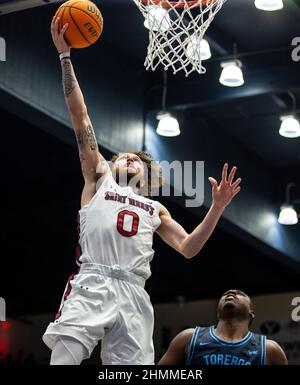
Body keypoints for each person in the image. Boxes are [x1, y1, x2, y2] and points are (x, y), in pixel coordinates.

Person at [43, 16, 242, 365]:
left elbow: (188, 247)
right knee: (63, 359)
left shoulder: (155, 210)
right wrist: (65, 57)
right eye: (125, 157)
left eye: (138, 161)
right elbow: (80, 114)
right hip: (94, 281)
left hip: (135, 292)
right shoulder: (97, 177)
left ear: (147, 175)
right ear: (112, 163)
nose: (131, 161)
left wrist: (217, 207)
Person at [158, 289, 288, 365]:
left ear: (251, 313)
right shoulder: (189, 337)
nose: (231, 293)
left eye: (239, 294)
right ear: (217, 312)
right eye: (226, 294)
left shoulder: (269, 349)